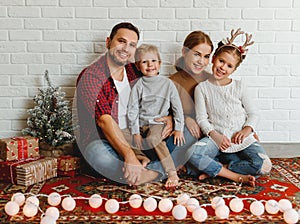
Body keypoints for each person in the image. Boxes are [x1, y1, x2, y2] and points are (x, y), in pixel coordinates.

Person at [75, 22, 192, 186]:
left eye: (131, 45)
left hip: (140, 136)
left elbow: (159, 95)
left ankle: (141, 168)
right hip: (106, 141)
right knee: (98, 155)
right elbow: (104, 121)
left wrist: (170, 119)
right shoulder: (92, 76)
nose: (125, 48)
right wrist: (129, 155)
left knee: (187, 132)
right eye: (121, 41)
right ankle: (157, 170)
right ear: (108, 42)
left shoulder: (135, 70)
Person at [189, 28, 272, 186]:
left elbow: (253, 114)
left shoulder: (240, 86)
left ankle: (223, 168)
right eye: (221, 61)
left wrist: (247, 130)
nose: (223, 68)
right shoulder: (202, 88)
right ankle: (235, 176)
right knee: (193, 154)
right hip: (216, 139)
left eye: (229, 66)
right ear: (214, 58)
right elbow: (202, 118)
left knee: (264, 165)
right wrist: (215, 135)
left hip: (242, 139)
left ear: (234, 69)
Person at [124, 44, 185, 188]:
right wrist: (135, 132)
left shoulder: (168, 84)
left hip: (158, 123)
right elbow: (132, 110)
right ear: (138, 66)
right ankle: (142, 157)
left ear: (159, 63)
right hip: (140, 124)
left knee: (153, 139)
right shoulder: (138, 85)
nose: (150, 65)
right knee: (121, 134)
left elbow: (177, 107)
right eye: (144, 62)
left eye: (153, 61)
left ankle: (171, 172)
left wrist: (179, 128)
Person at [169, 31, 214, 141]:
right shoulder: (171, 82)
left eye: (206, 56)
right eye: (197, 54)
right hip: (186, 133)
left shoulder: (212, 80)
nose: (201, 61)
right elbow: (164, 112)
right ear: (184, 52)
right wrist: (186, 119)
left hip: (213, 134)